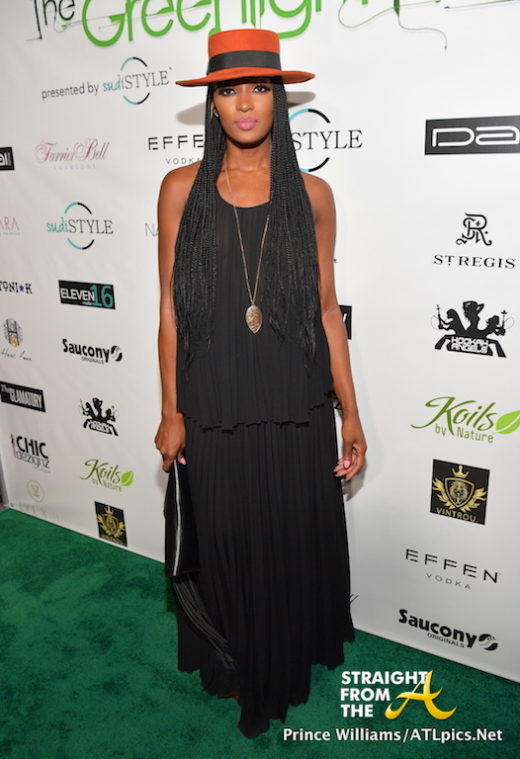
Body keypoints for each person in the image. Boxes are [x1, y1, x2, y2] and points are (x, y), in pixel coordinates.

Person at [154, 28, 366, 739]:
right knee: (226, 541)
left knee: (289, 541)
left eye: (259, 87)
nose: (244, 102)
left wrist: (352, 414)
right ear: (212, 103)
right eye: (228, 89)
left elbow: (327, 311)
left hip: (295, 404)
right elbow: (170, 309)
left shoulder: (314, 195)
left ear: (279, 98)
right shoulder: (179, 189)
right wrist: (171, 410)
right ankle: (236, 661)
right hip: (213, 404)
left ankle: (284, 659)